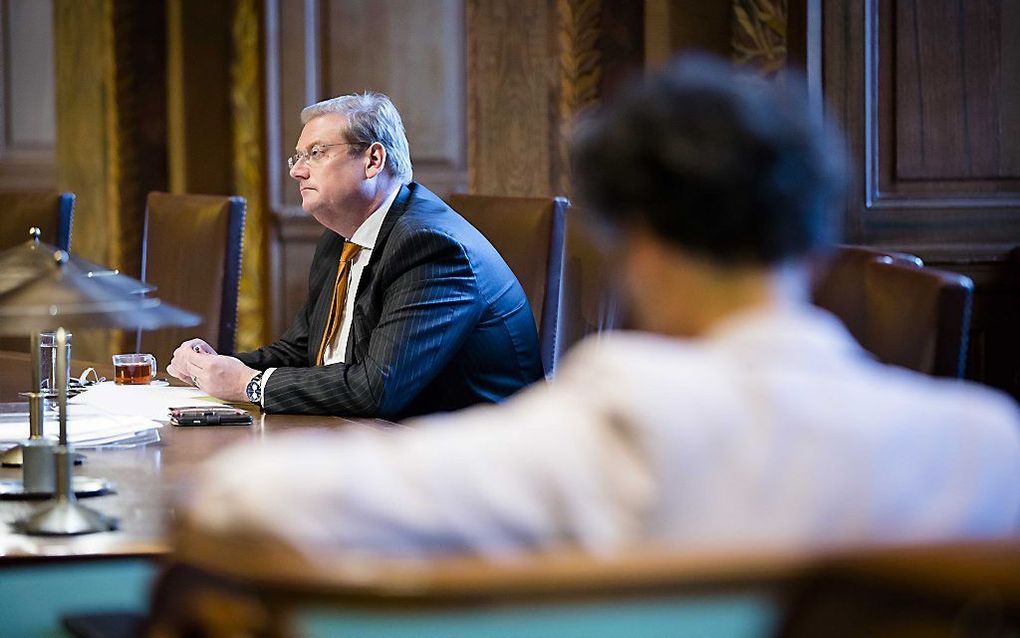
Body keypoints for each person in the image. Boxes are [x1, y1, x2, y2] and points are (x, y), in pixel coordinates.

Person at [187, 56, 1019, 558]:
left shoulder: (598, 438)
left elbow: (248, 503)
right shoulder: (985, 449)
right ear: (810, 244)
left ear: (637, 252)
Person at [167, 93, 543, 419]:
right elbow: (302, 351)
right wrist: (215, 368)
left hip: (471, 464)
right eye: (297, 157)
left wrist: (250, 385)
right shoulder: (340, 237)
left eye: (315, 153)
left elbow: (377, 388)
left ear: (373, 160)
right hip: (379, 439)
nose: (298, 171)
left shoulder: (431, 247)